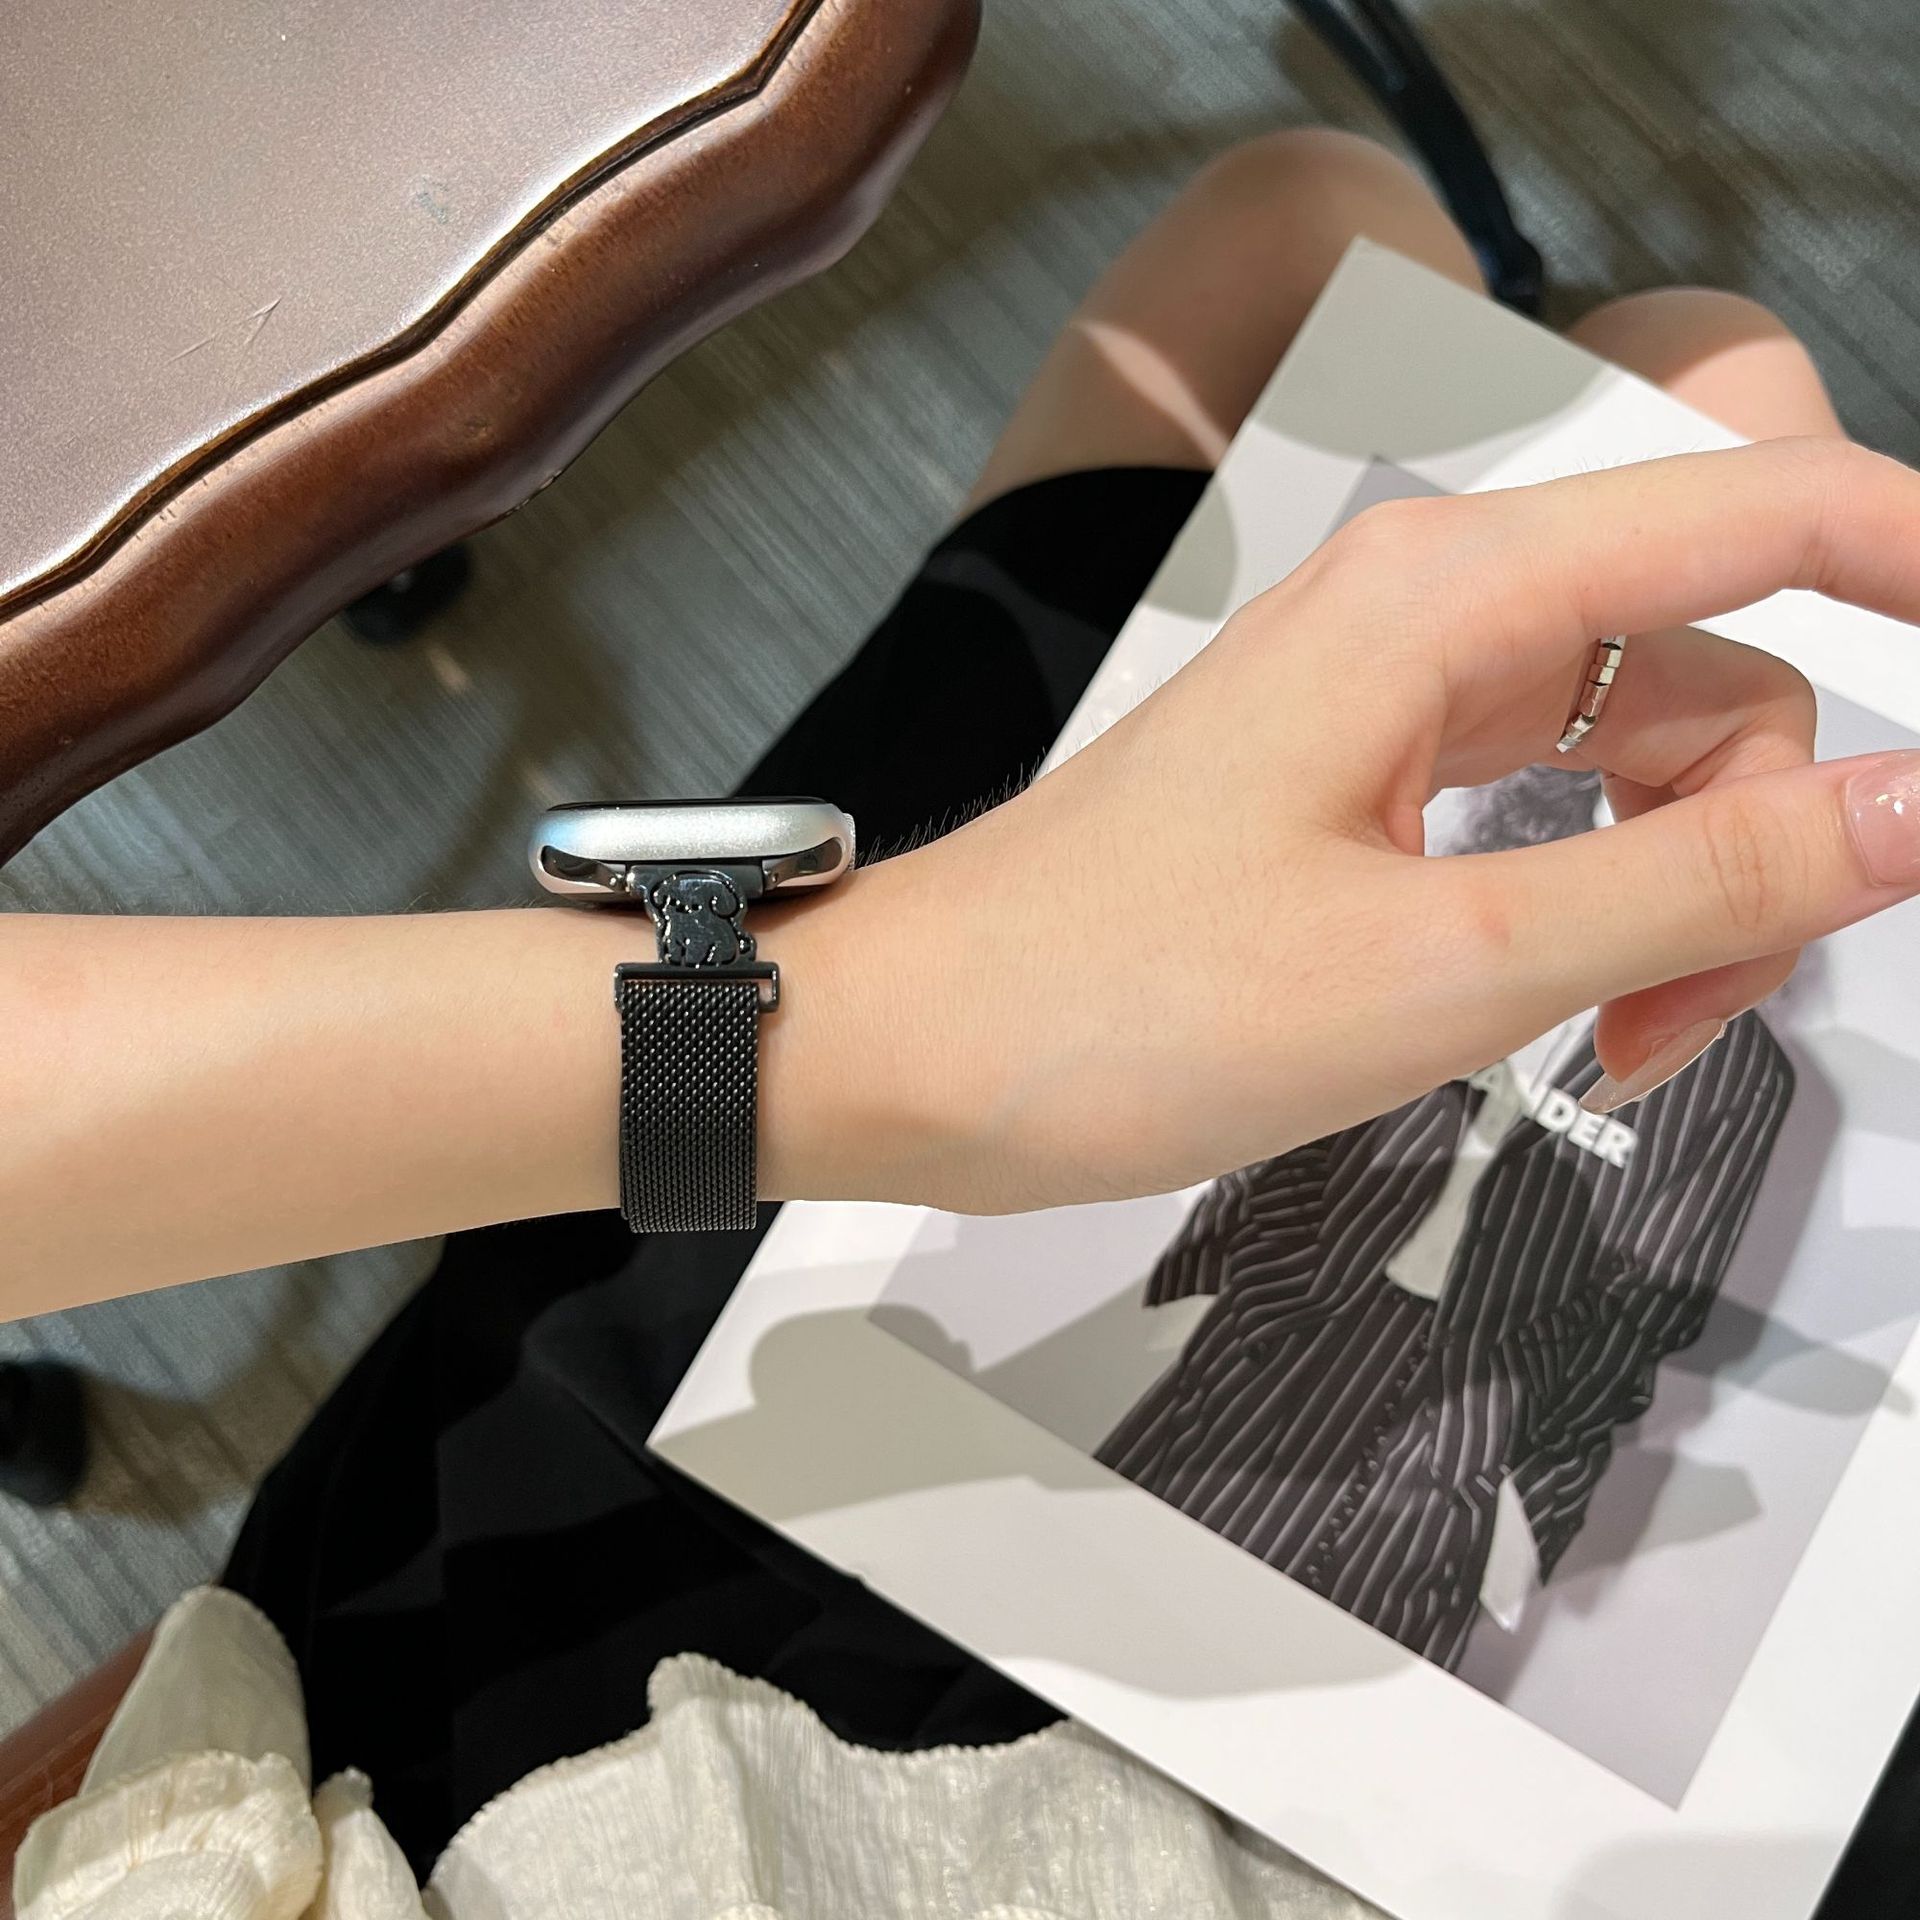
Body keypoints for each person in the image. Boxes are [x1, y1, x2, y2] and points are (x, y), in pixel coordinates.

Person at [11, 130, 1918, 1918]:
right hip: (1236, 1686)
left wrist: (867, 1027)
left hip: (514, 1624)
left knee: (1324, 240)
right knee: (1647, 352)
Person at [1097, 763, 1795, 1672]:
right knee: (1105, 1615)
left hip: (1468, 1425)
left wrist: (1523, 1477)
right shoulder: (1446, 918)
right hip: (1282, 1329)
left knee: (1326, 1704)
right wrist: (1251, 1276)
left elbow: (1651, 1306)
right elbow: (1304, 1109)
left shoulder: (1736, 1071)